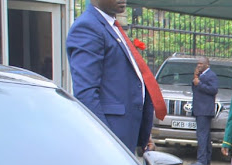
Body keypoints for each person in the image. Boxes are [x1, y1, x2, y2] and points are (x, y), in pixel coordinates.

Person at [66, 0, 166, 153]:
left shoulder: (110, 26)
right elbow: (86, 94)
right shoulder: (87, 27)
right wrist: (106, 142)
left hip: (124, 133)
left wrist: (141, 132)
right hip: (109, 139)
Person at [190, 57, 218, 165]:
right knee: (204, 135)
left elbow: (213, 90)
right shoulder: (200, 75)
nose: (198, 65)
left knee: (202, 135)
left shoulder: (211, 75)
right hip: (199, 109)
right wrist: (195, 78)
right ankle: (206, 159)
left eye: (201, 63)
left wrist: (199, 83)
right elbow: (195, 89)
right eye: (198, 63)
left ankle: (202, 159)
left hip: (205, 110)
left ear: (207, 64)